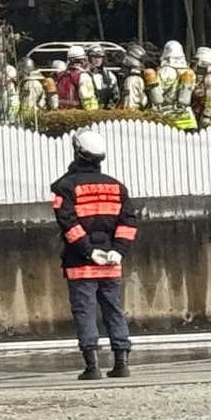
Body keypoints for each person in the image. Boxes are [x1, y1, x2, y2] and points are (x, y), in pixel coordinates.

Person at [51, 129, 138, 381]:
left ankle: (92, 366)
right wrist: (118, 251)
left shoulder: (64, 187)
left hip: (81, 262)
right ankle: (121, 362)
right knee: (114, 309)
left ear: (78, 152)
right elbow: (129, 222)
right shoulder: (117, 187)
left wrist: (89, 252)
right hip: (112, 261)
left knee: (85, 311)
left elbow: (67, 224)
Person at [86, 45, 120, 110]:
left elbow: (116, 95)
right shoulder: (84, 75)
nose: (97, 60)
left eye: (99, 57)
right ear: (89, 58)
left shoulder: (109, 76)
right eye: (94, 57)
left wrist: (109, 108)